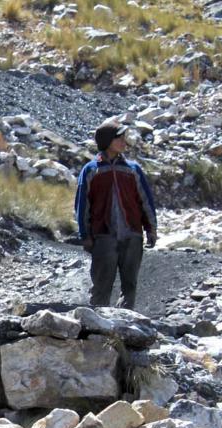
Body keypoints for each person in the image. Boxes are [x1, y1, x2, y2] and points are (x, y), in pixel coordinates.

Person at [74, 123, 157, 310]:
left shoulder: (132, 169)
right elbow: (82, 206)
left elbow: (145, 201)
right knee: (101, 287)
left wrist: (151, 229)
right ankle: (97, 326)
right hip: (103, 237)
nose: (123, 142)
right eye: (118, 138)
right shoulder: (91, 170)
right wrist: (85, 236)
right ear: (106, 141)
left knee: (130, 286)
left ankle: (124, 327)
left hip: (132, 235)